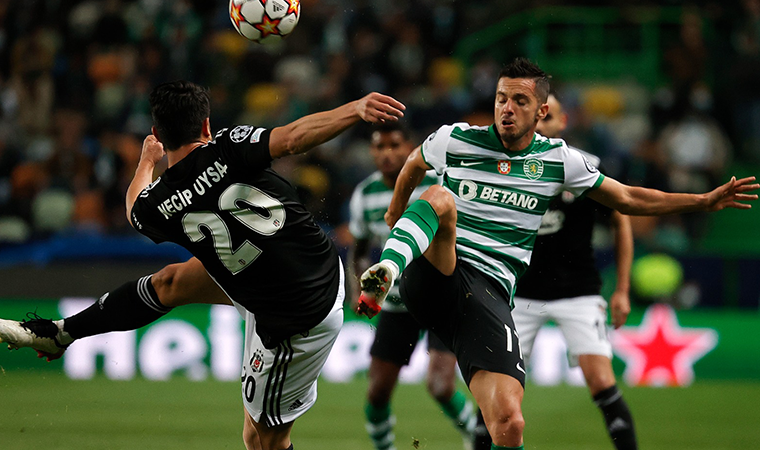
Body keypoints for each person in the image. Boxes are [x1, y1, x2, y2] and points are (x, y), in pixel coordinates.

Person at [355, 57, 758, 450]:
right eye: (500, 99)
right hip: (438, 271)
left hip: (489, 295)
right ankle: (387, 269)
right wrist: (395, 211)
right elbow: (413, 162)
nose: (506, 109)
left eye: (519, 101)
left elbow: (628, 198)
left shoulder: (559, 161)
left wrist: (701, 201)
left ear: (541, 110)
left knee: (509, 422)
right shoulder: (456, 138)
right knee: (439, 196)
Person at [0, 80, 406, 450]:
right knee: (170, 283)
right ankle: (61, 333)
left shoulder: (158, 205)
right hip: (307, 268)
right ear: (207, 125)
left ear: (158, 134)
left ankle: (61, 335)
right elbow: (295, 138)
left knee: (263, 440)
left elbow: (132, 208)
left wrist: (146, 160)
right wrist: (354, 108)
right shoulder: (230, 145)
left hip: (296, 317)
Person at [510, 92, 638, 449]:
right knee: (499, 394)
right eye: (536, 118)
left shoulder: (585, 167)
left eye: (548, 117)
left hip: (579, 292)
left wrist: (623, 289)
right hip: (521, 296)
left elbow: (621, 220)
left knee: (601, 381)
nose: (542, 125)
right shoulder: (509, 169)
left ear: (562, 122)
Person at [348, 122, 476, 450]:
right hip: (395, 303)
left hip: (440, 299)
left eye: (395, 145)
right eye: (379, 147)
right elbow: (359, 250)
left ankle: (476, 437)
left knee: (440, 385)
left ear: (410, 148)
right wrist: (357, 289)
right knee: (377, 391)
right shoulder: (365, 194)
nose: (387, 154)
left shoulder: (438, 185)